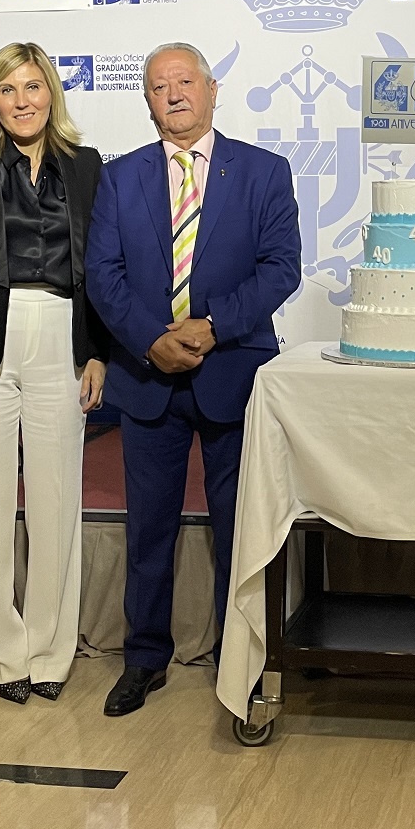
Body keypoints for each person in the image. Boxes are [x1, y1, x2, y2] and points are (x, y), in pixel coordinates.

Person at [84, 42, 299, 717]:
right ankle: (144, 658)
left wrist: (213, 327)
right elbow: (102, 275)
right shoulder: (119, 178)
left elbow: (281, 267)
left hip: (232, 372)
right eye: (159, 86)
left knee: (240, 528)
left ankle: (241, 657)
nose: (174, 93)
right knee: (148, 530)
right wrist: (152, 340)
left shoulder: (264, 171)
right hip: (147, 378)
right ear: (147, 101)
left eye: (185, 81)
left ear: (211, 90)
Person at [0, 43, 108, 704]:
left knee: (57, 500)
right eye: (8, 89)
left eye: (33, 87)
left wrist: (97, 351)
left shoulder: (86, 165)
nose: (23, 100)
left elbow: (100, 267)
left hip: (62, 335)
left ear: (50, 93)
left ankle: (49, 652)